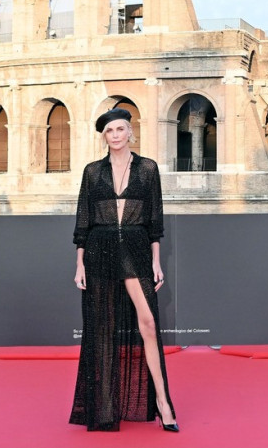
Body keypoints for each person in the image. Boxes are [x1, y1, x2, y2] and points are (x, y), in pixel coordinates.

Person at [69, 107, 178, 432]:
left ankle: (163, 403)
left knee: (148, 323)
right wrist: (79, 263)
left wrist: (156, 261)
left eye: (120, 129)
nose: (115, 135)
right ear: (104, 137)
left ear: (130, 132)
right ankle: (104, 408)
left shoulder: (147, 169)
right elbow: (83, 221)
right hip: (99, 250)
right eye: (109, 131)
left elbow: (155, 221)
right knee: (101, 330)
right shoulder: (93, 172)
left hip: (135, 249)